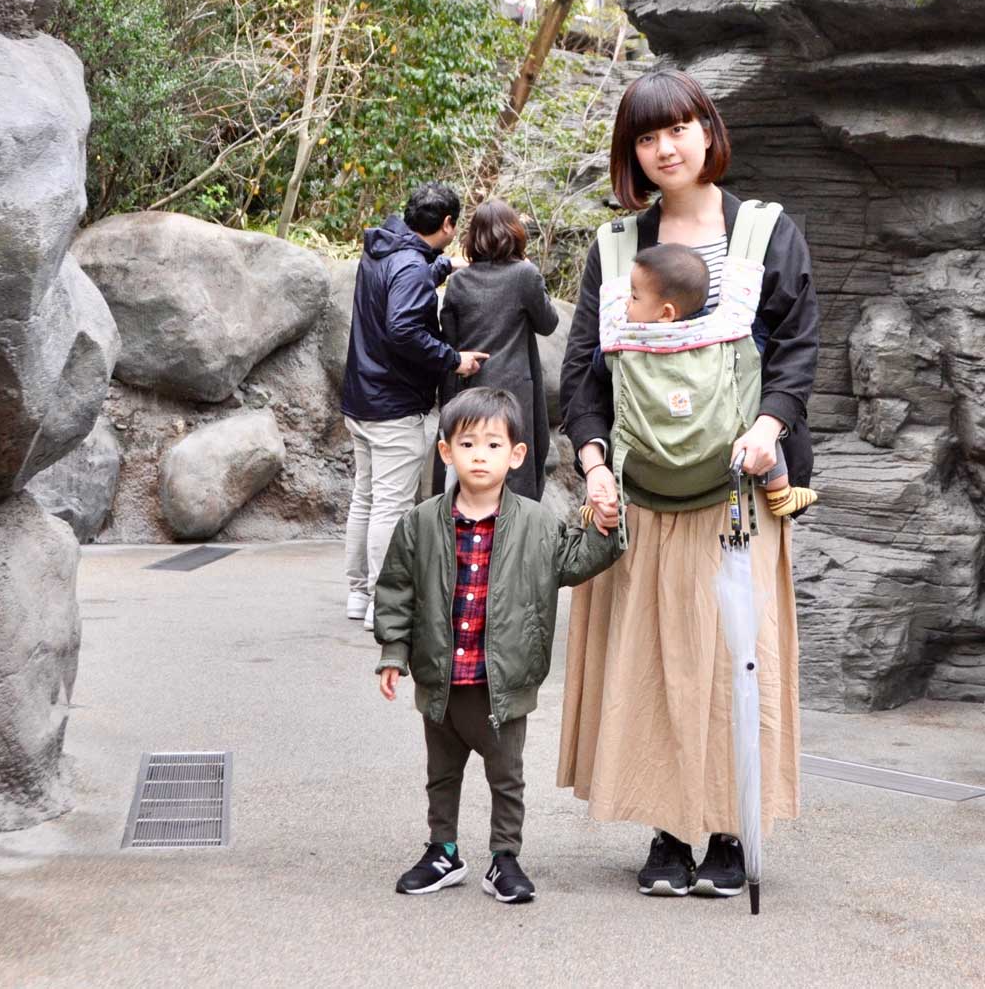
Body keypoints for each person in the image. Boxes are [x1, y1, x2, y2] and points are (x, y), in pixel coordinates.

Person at [557, 67, 819, 899]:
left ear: (708, 130)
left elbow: (798, 349)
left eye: (677, 127)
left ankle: (734, 827)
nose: (664, 147)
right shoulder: (612, 250)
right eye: (644, 135)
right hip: (638, 493)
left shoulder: (769, 234)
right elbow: (580, 372)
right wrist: (593, 463)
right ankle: (669, 829)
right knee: (657, 660)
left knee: (733, 655)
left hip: (737, 495)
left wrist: (767, 427)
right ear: (630, 152)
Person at [374, 388, 624, 904]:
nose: (479, 455)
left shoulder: (536, 522)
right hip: (441, 678)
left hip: (502, 681)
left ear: (516, 455)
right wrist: (393, 654)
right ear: (446, 452)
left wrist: (604, 526)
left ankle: (504, 858)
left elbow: (575, 564)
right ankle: (442, 850)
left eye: (492, 445)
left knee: (505, 777)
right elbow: (397, 590)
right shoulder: (420, 523)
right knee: (441, 775)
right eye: (467, 444)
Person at [341, 181, 488, 630]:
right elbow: (404, 327)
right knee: (391, 505)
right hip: (393, 405)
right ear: (447, 224)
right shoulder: (409, 267)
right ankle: (384, 605)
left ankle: (358, 593)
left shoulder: (383, 248)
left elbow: (411, 272)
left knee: (364, 499)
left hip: (360, 399)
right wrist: (453, 359)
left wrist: (444, 265)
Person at [614, 242, 818, 518]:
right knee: (753, 422)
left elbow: (596, 365)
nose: (626, 303)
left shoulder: (627, 342)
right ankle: (780, 491)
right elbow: (754, 347)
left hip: (647, 474)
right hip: (725, 455)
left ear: (666, 313)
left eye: (634, 297)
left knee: (762, 429)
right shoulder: (721, 332)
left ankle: (602, 499)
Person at [437, 199, 559, 503]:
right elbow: (548, 323)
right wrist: (535, 274)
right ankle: (515, 544)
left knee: (473, 468)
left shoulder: (459, 281)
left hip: (470, 390)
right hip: (515, 390)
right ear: (514, 233)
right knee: (515, 466)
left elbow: (450, 339)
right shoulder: (524, 275)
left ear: (473, 237)